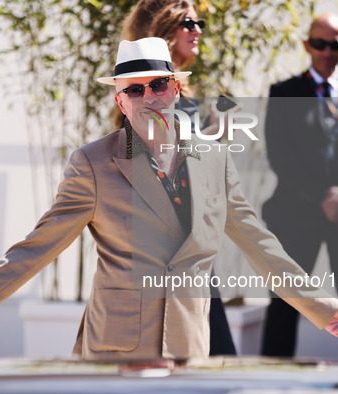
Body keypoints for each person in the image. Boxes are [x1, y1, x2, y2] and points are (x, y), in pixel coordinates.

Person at [0, 37, 338, 364]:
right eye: (134, 89)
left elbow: (261, 246)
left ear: (177, 90)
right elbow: (36, 247)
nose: (149, 97)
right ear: (121, 103)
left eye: (159, 85)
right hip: (115, 353)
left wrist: (323, 308)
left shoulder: (213, 160)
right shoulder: (92, 163)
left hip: (189, 350)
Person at [260, 13, 338, 362]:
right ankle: (272, 378)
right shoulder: (284, 93)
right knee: (287, 303)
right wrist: (323, 198)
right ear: (307, 45)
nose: (327, 51)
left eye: (336, 44)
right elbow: (281, 155)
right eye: (320, 43)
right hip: (297, 216)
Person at [120, 0, 237, 356]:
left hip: (182, 249)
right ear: (165, 29)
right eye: (189, 23)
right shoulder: (159, 99)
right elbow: (161, 172)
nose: (198, 30)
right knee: (211, 357)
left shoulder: (161, 95)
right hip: (174, 252)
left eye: (199, 22)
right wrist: (215, 135)